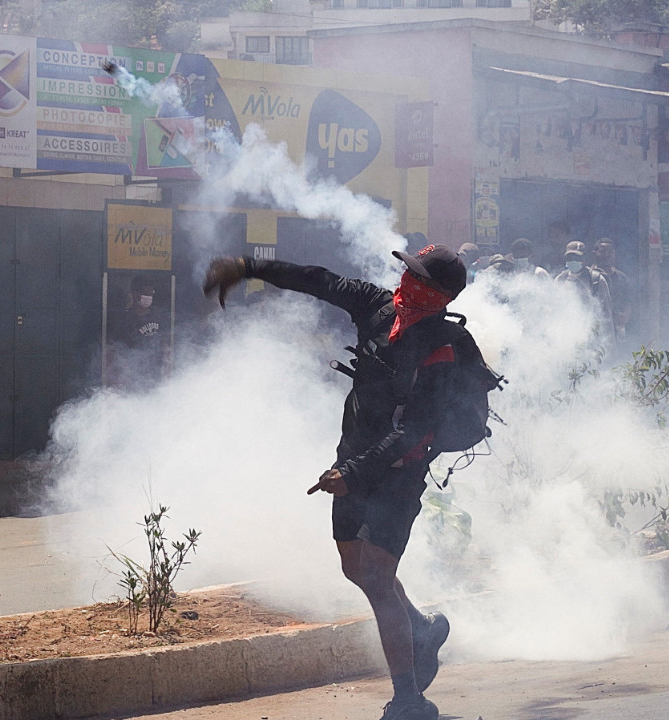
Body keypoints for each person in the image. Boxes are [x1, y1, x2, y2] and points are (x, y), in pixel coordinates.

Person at [202, 245, 472, 720]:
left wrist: (354, 474)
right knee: (354, 567)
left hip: (399, 472)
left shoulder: (440, 347)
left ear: (440, 295)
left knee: (378, 577)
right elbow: (318, 278)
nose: (406, 282)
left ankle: (409, 698)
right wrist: (248, 267)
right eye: (408, 272)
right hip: (350, 460)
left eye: (419, 279)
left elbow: (415, 430)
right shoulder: (377, 306)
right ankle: (422, 627)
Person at [106, 274, 169, 390]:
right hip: (132, 379)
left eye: (151, 293)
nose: (149, 296)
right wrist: (115, 381)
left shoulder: (158, 316)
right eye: (146, 292)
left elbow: (165, 344)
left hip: (156, 378)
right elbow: (112, 353)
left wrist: (166, 370)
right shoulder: (125, 321)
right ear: (135, 294)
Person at [554, 240, 616, 342]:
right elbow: (554, 312)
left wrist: (610, 344)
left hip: (591, 338)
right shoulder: (560, 280)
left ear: (584, 259)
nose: (573, 260)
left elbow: (606, 315)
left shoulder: (596, 280)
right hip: (565, 338)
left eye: (577, 258)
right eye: (570, 258)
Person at [591, 239, 634, 340]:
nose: (606, 255)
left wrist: (624, 317)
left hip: (616, 330)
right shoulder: (587, 276)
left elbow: (629, 301)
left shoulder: (622, 278)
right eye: (602, 252)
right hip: (594, 328)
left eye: (610, 252)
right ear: (594, 253)